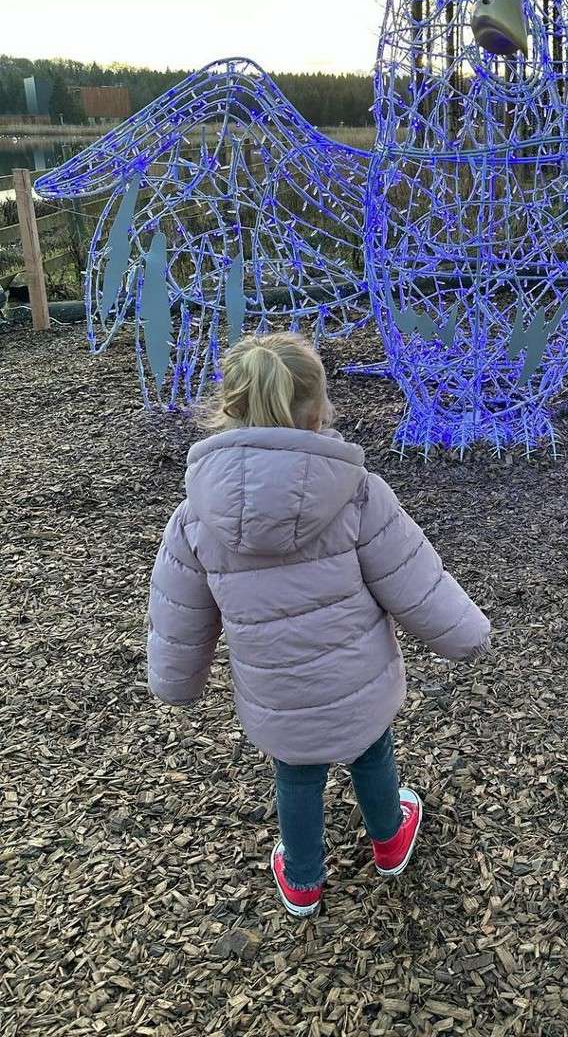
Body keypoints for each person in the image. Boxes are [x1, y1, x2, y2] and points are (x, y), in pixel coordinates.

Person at [146, 332, 491, 917]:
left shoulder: (195, 515)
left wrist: (175, 683)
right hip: (357, 679)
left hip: (277, 690)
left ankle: (303, 880)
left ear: (228, 408)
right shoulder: (356, 494)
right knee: (372, 752)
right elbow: (413, 577)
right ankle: (389, 840)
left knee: (297, 776)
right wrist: (465, 634)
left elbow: (179, 613)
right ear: (317, 409)